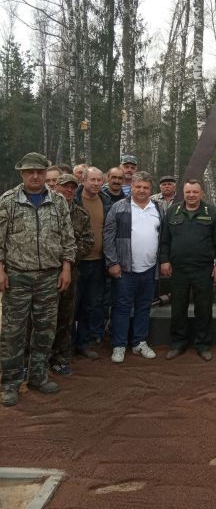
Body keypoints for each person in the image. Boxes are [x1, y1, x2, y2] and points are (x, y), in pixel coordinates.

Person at [0, 152, 76, 406]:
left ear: (46, 174)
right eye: (30, 171)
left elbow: (67, 238)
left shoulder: (57, 201)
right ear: (21, 173)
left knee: (45, 330)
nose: (35, 176)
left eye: (40, 172)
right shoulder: (8, 201)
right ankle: (10, 383)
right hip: (17, 276)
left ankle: (38, 375)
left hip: (48, 277)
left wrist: (66, 268)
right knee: (13, 332)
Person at [160, 179, 216, 362]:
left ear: (201, 193)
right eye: (188, 192)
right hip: (178, 270)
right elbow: (164, 240)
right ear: (183, 192)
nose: (191, 195)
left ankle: (203, 344)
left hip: (203, 269)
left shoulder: (211, 212)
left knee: (203, 308)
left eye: (195, 192)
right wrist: (164, 260)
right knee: (178, 308)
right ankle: (177, 343)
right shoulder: (172, 211)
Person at [104, 171, 161, 363]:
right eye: (138, 187)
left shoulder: (158, 208)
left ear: (150, 189)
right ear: (132, 187)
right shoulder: (118, 207)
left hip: (149, 269)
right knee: (121, 308)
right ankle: (119, 345)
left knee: (143, 307)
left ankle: (139, 342)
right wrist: (112, 262)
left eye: (145, 187)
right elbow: (108, 237)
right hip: (125, 269)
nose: (142, 190)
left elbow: (163, 237)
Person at [50, 174, 94, 376]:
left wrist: (69, 258)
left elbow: (87, 241)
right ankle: (30, 361)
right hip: (43, 272)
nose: (68, 190)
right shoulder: (45, 210)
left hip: (70, 272)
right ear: (55, 187)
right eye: (64, 186)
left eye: (71, 188)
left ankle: (60, 358)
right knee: (37, 319)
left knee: (65, 317)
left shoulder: (81, 214)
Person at [74, 166, 112, 357]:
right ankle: (66, 346)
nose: (96, 183)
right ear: (83, 180)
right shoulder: (73, 200)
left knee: (91, 304)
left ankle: (83, 342)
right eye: (92, 180)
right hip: (76, 263)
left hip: (98, 262)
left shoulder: (106, 201)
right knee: (72, 305)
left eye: (99, 180)